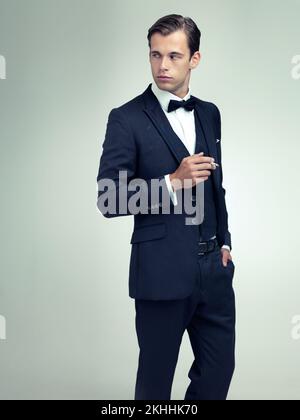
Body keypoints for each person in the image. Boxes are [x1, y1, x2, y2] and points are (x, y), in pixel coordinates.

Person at [96, 14, 236, 400]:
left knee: (219, 371)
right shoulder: (126, 118)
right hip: (160, 272)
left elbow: (215, 186)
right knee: (156, 382)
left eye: (174, 56)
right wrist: (172, 181)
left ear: (195, 59)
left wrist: (225, 243)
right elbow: (108, 199)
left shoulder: (209, 112)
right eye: (155, 55)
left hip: (214, 271)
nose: (162, 65)